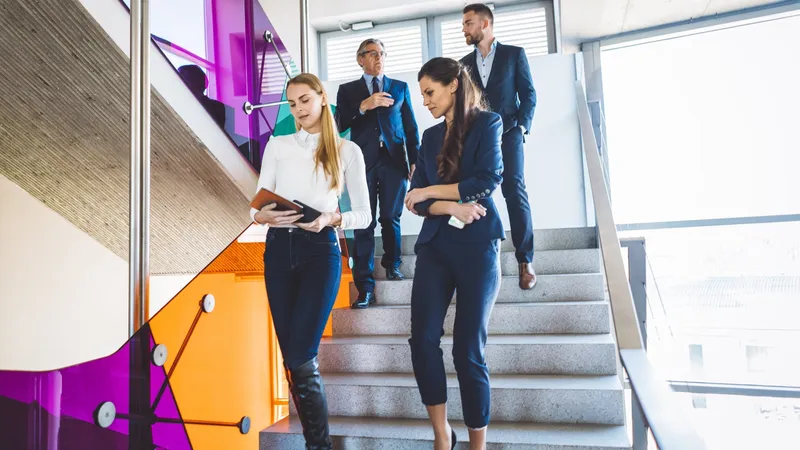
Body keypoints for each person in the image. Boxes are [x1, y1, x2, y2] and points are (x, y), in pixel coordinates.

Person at [251, 73, 371, 450]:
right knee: (291, 356)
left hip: (321, 251)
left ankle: (318, 446)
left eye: (304, 100)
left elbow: (364, 215)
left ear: (322, 98)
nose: (298, 109)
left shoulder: (348, 151)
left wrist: (332, 219)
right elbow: (256, 203)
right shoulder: (278, 144)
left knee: (302, 355)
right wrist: (261, 216)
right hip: (277, 250)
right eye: (292, 103)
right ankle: (315, 443)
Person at [404, 57, 504, 450]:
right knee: (422, 339)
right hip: (436, 247)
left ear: (453, 87)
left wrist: (431, 192)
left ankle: (478, 444)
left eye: (430, 92)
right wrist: (448, 205)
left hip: (478, 246)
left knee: (467, 349)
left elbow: (487, 180)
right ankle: (442, 435)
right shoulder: (429, 138)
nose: (425, 101)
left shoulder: (487, 124)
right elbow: (414, 200)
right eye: (422, 94)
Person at [335, 38, 421, 309]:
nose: (378, 58)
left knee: (390, 217)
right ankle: (365, 286)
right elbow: (339, 124)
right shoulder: (348, 90)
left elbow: (410, 128)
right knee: (363, 223)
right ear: (360, 59)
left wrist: (415, 161)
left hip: (395, 161)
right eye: (372, 54)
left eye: (382, 53)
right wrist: (364, 105)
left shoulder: (400, 87)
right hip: (362, 163)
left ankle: (393, 264)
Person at [460, 3, 538, 289]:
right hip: (477, 138)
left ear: (485, 24)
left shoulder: (514, 55)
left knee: (514, 191)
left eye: (468, 23)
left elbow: (529, 94)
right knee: (476, 193)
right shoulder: (463, 64)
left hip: (509, 133)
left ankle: (525, 260)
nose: (464, 29)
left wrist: (520, 126)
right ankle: (476, 260)